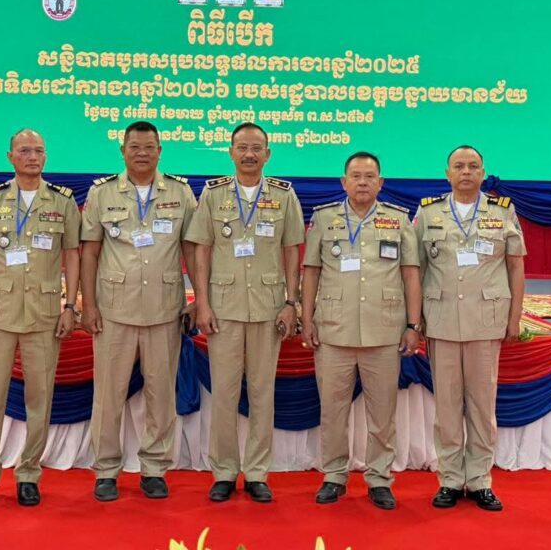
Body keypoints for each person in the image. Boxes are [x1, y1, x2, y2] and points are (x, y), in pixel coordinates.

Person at [0, 129, 81, 509]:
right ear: (10, 156)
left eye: (39, 151)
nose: (33, 156)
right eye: (25, 150)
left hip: (44, 314)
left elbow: (73, 254)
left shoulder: (62, 201)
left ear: (46, 157)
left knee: (39, 399)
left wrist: (70, 306)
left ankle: (29, 473)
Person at [80, 121, 198, 502]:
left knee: (160, 395)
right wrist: (88, 304)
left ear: (160, 151)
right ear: (123, 151)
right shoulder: (102, 193)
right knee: (108, 396)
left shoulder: (180, 193)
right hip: (114, 310)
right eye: (135, 146)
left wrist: (199, 299)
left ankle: (154, 468)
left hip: (164, 309)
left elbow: (193, 249)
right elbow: (90, 252)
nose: (142, 153)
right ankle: (106, 469)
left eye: (149, 147)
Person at [186, 122, 304, 503]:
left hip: (268, 309)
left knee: (262, 392)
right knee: (223, 393)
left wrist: (291, 302)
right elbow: (201, 250)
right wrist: (202, 302)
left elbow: (292, 251)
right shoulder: (213, 194)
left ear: (267, 154)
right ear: (231, 152)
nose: (249, 154)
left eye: (256, 148)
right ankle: (223, 471)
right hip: (223, 308)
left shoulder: (284, 195)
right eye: (242, 148)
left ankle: (256, 473)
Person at [300, 152, 421, 510]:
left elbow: (411, 274)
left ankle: (380, 478)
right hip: (333, 331)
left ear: (380, 183)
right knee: (332, 411)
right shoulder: (325, 219)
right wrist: (307, 318)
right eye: (356, 176)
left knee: (382, 414)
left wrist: (413, 325)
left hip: (383, 331)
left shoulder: (398, 220)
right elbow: (311, 271)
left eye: (370, 176)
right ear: (344, 182)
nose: (363, 182)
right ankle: (334, 476)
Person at [414, 145, 526, 512]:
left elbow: (515, 266)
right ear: (447, 173)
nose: (466, 172)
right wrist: (414, 320)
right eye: (459, 166)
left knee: (481, 406)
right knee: (447, 407)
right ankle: (449, 479)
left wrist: (514, 317)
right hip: (442, 321)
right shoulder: (428, 212)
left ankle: (479, 480)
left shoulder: (502, 212)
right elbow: (416, 269)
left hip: (485, 321)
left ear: (483, 172)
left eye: (473, 166)